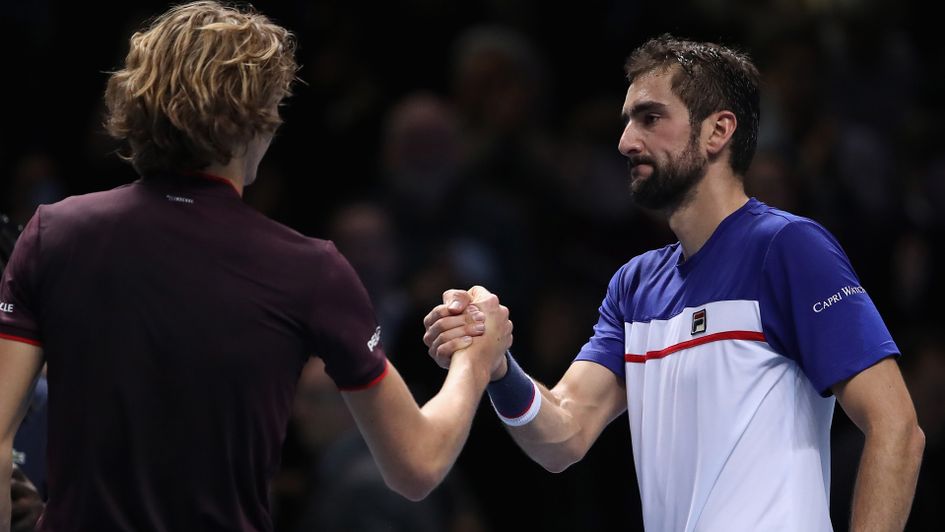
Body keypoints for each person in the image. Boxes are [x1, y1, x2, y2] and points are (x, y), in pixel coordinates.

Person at [0, 2, 511, 531]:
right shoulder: (310, 270)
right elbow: (417, 465)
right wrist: (476, 358)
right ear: (259, 121)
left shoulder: (52, 233)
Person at [424, 34, 924, 531]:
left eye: (650, 118)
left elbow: (897, 428)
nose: (625, 142)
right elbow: (564, 436)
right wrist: (498, 365)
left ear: (717, 131)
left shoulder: (787, 248)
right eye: (627, 121)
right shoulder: (634, 286)